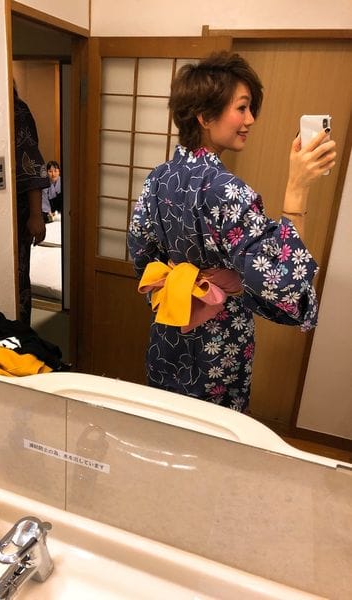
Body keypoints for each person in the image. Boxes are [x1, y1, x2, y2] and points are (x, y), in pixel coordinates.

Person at [127, 51, 336, 413]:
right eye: (241, 108)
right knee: (214, 430)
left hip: (169, 327)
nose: (250, 119)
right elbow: (279, 281)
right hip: (219, 339)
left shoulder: (157, 178)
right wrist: (297, 188)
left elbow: (141, 254)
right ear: (204, 115)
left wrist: (180, 284)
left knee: (164, 420)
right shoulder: (227, 190)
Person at [14, 85, 50, 325]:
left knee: (18, 274)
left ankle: (21, 334)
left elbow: (31, 162)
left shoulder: (18, 111)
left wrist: (37, 214)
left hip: (19, 209)